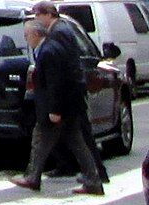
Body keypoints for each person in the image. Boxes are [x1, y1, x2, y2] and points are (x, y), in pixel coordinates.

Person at [13, 16, 102, 194]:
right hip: (66, 107)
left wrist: (55, 110)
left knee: (40, 140)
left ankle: (33, 177)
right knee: (74, 142)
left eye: (27, 35)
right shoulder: (49, 48)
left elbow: (55, 83)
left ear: (37, 33)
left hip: (57, 108)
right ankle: (93, 181)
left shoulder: (48, 51)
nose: (26, 39)